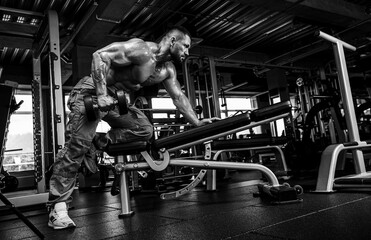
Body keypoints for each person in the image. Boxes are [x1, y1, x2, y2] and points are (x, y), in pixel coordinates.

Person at [47, 26, 217, 229]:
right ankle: (57, 208)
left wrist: (196, 122)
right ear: (172, 41)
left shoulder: (167, 70)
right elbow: (99, 56)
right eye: (186, 46)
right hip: (92, 91)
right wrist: (101, 93)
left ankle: (98, 140)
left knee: (144, 129)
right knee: (76, 146)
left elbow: (178, 97)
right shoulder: (141, 49)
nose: (188, 52)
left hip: (117, 100)